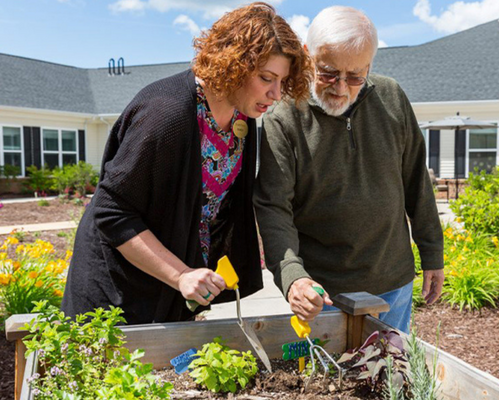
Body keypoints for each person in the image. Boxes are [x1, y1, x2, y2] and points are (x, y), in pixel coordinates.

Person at [61, 2, 311, 325]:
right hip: (117, 292)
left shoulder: (243, 120)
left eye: (282, 82)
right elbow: (111, 212)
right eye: (267, 78)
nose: (276, 94)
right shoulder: (165, 115)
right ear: (235, 63)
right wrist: (180, 274)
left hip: (176, 287)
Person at [253, 6, 444, 333]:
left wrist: (432, 252)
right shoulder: (284, 117)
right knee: (330, 382)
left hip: (393, 281)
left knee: (391, 378)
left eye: (356, 76)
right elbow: (273, 207)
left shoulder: (391, 96)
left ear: (369, 66)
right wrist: (293, 277)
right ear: (307, 55)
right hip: (324, 293)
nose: (341, 88)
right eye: (328, 73)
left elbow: (416, 181)